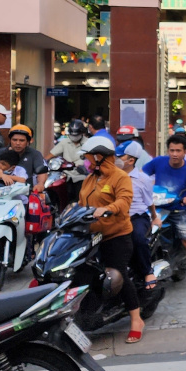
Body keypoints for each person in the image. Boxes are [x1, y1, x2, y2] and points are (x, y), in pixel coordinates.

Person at [76, 137, 144, 344]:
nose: (86, 161)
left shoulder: (120, 177)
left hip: (116, 235)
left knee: (117, 274)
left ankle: (136, 319)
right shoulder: (91, 178)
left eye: (88, 157)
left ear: (98, 157)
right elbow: (82, 202)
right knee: (83, 272)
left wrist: (108, 209)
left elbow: (124, 201)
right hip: (91, 236)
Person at [143, 134, 186, 290]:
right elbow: (142, 175)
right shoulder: (158, 162)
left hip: (176, 209)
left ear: (185, 151)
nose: (174, 154)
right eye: (172, 150)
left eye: (178, 151)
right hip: (156, 208)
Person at [118, 141, 156, 292]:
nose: (115, 160)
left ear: (131, 160)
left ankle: (147, 271)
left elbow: (149, 201)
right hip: (116, 217)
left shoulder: (142, 178)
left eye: (120, 157)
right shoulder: (111, 176)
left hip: (137, 217)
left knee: (138, 238)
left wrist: (154, 217)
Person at [5, 125, 47, 191]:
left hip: (26, 192)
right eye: (14, 140)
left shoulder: (35, 154)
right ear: (10, 140)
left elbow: (41, 173)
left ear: (28, 142)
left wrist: (40, 184)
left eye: (21, 140)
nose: (18, 143)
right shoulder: (0, 153)